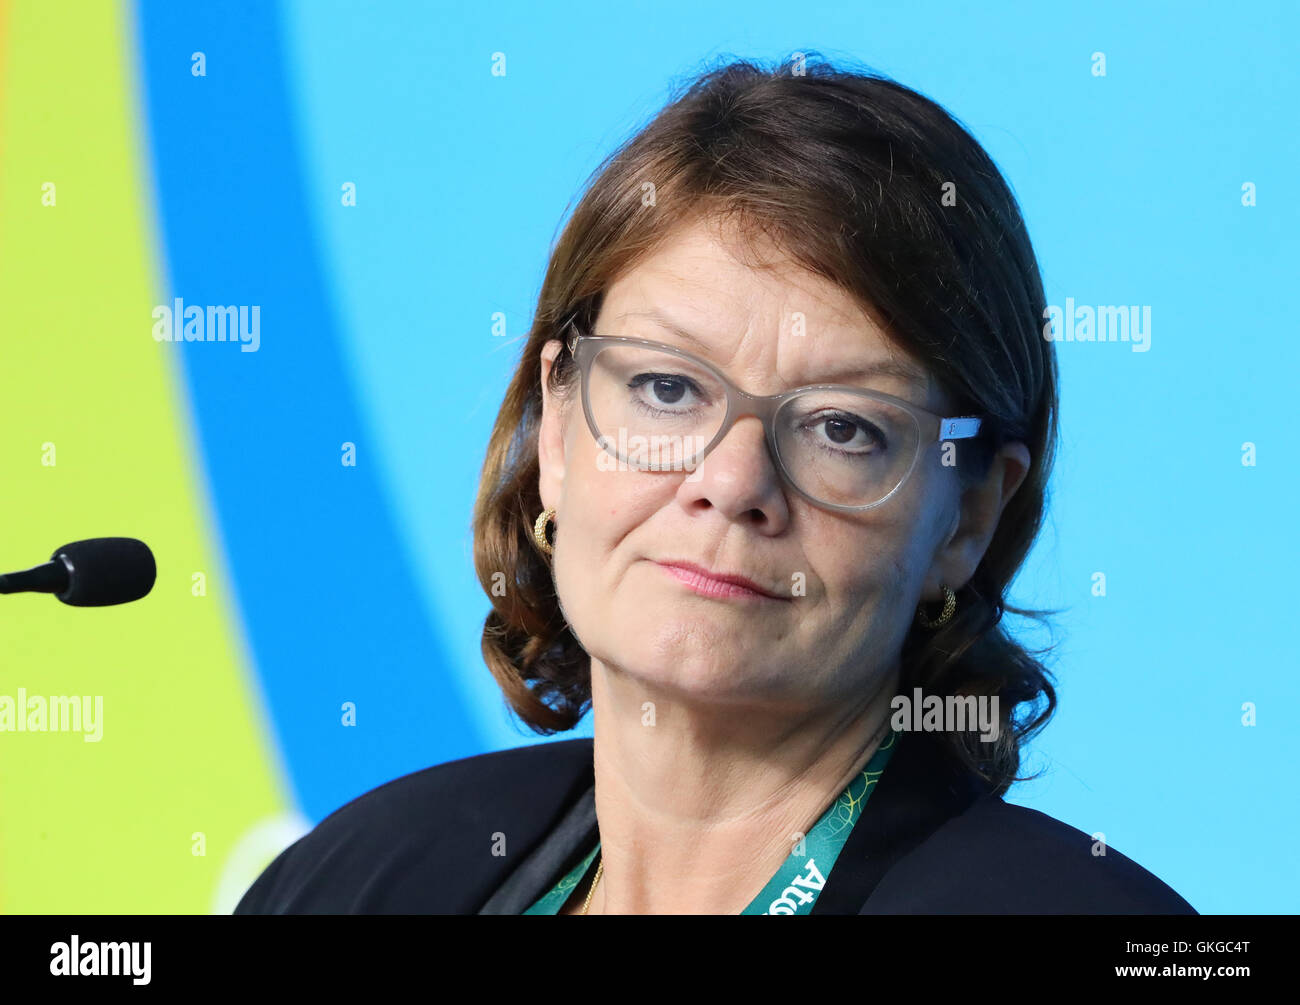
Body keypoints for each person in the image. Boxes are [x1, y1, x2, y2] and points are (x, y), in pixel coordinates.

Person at [235, 54, 1195, 915]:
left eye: (842, 427)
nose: (732, 482)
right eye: (666, 388)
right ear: (558, 430)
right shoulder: (358, 879)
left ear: (966, 519)